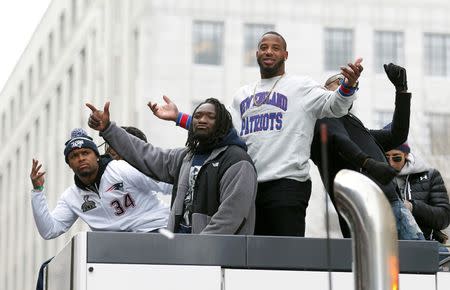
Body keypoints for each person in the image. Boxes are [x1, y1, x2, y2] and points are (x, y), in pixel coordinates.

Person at [147, 31, 363, 236]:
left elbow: (335, 106)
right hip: (249, 186)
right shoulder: (243, 95)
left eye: (275, 48)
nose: (269, 51)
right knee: (251, 255)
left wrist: (348, 86)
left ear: (285, 55)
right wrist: (178, 117)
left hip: (287, 184)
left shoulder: (301, 86)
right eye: (264, 47)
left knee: (285, 255)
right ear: (257, 53)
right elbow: (220, 129)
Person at [87, 98, 257, 234]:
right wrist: (109, 129)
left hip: (218, 259)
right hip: (181, 251)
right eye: (197, 116)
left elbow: (231, 216)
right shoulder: (186, 157)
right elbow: (145, 154)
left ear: (222, 125)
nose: (202, 120)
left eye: (211, 117)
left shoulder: (237, 160)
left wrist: (201, 250)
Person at [31, 128, 170, 290]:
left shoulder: (120, 169)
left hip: (155, 230)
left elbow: (165, 184)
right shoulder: (71, 196)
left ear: (97, 156)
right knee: (47, 268)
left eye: (85, 153)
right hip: (116, 247)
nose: (81, 158)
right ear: (69, 164)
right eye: (74, 156)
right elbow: (49, 230)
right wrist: (37, 191)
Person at [310, 63, 424, 240]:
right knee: (383, 265)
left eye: (353, 85)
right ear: (325, 90)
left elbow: (398, 136)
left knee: (416, 262)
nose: (349, 85)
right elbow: (339, 141)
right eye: (341, 81)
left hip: (391, 202)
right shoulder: (324, 118)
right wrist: (369, 164)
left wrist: (401, 91)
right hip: (363, 207)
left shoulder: (357, 128)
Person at [385, 143, 450, 243]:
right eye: (386, 158)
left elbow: (444, 218)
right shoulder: (372, 176)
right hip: (384, 245)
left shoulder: (431, 175)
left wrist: (412, 206)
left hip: (422, 245)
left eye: (397, 158)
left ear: (406, 155)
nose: (391, 163)